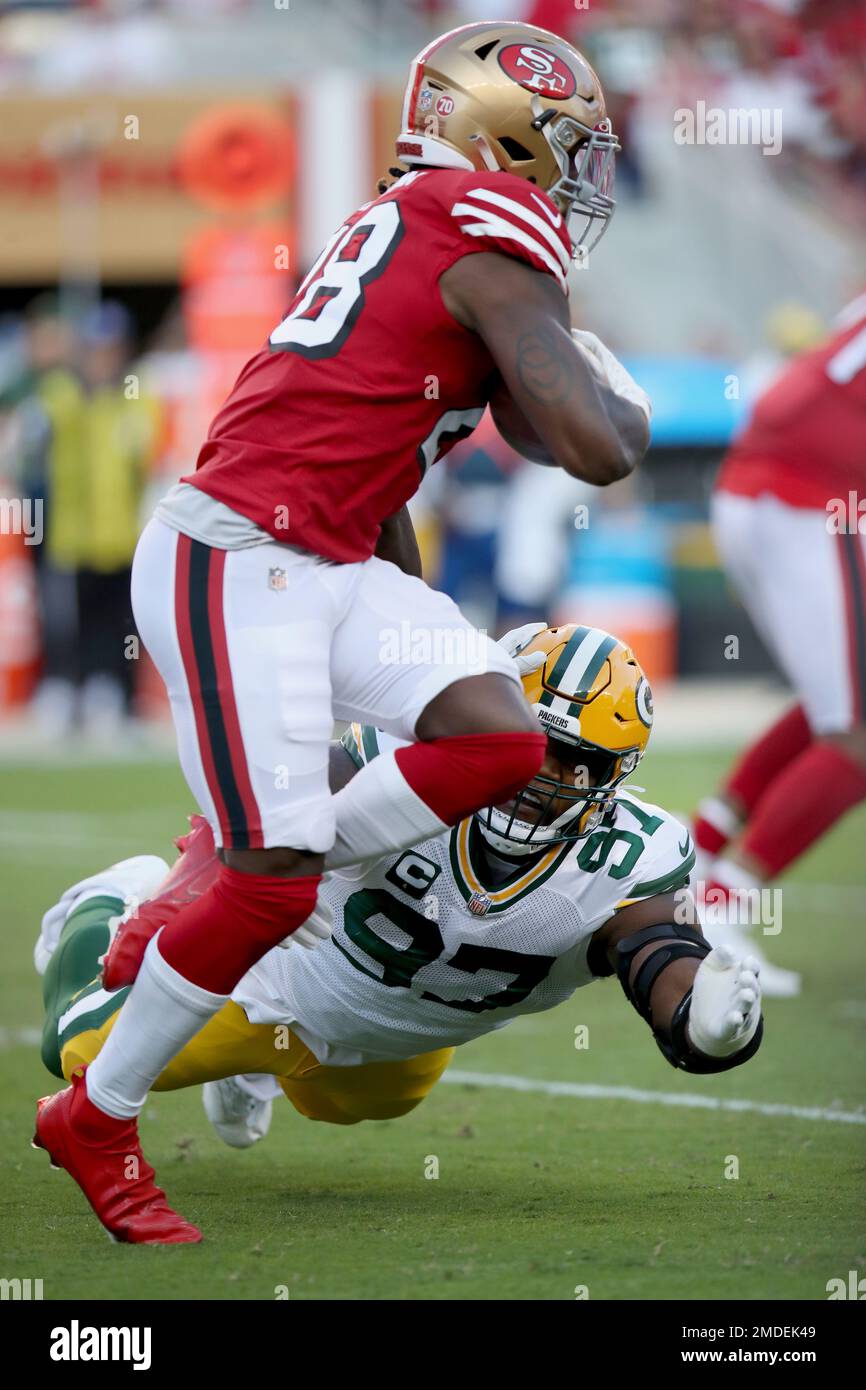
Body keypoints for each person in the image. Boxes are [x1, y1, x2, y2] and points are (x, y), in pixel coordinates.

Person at [33, 20, 651, 1244]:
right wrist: (606, 378)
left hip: (320, 549)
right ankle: (95, 1112)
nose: (575, 181)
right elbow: (595, 447)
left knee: (493, 735)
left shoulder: (421, 216)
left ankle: (237, 857)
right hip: (241, 553)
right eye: (565, 150)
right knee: (275, 878)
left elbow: (383, 463)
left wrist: (410, 641)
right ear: (503, 136)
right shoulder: (487, 221)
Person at [36, 625, 761, 1180]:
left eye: (576, 762)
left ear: (614, 775)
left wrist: (705, 1024)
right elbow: (264, 807)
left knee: (358, 1107)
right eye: (534, 744)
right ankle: (107, 899)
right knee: (75, 1055)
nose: (546, 776)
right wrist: (182, 897)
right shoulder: (401, 760)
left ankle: (259, 1072)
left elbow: (658, 955)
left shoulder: (631, 856)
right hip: (273, 980)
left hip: (403, 1042)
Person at [693, 293, 866, 995]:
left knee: (840, 700)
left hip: (766, 486)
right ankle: (720, 906)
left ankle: (701, 853)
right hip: (812, 497)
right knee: (855, 730)